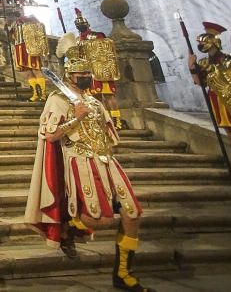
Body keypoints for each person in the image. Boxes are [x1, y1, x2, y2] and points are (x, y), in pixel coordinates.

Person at [25, 47, 149, 291]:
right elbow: (50, 135)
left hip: (107, 161)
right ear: (70, 75)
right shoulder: (57, 99)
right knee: (99, 220)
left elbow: (109, 133)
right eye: (81, 73)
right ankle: (67, 230)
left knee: (132, 214)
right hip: (80, 161)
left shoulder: (94, 100)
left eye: (87, 73)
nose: (86, 76)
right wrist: (77, 118)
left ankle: (123, 274)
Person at [188, 21, 231, 178]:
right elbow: (199, 83)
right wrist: (192, 67)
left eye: (205, 41)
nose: (202, 45)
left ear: (214, 41)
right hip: (218, 101)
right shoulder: (203, 64)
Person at [75, 8, 125, 129]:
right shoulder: (77, 40)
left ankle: (116, 121)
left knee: (109, 96)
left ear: (88, 24)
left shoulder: (97, 35)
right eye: (78, 25)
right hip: (88, 72)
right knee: (94, 97)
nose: (81, 26)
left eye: (82, 23)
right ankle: (103, 119)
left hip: (101, 70)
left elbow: (105, 51)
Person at [12, 13, 48, 101]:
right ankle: (35, 94)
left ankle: (43, 95)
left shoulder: (31, 19)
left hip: (30, 47)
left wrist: (27, 20)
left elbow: (39, 29)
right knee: (27, 72)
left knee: (36, 70)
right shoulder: (14, 23)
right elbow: (13, 37)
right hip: (19, 47)